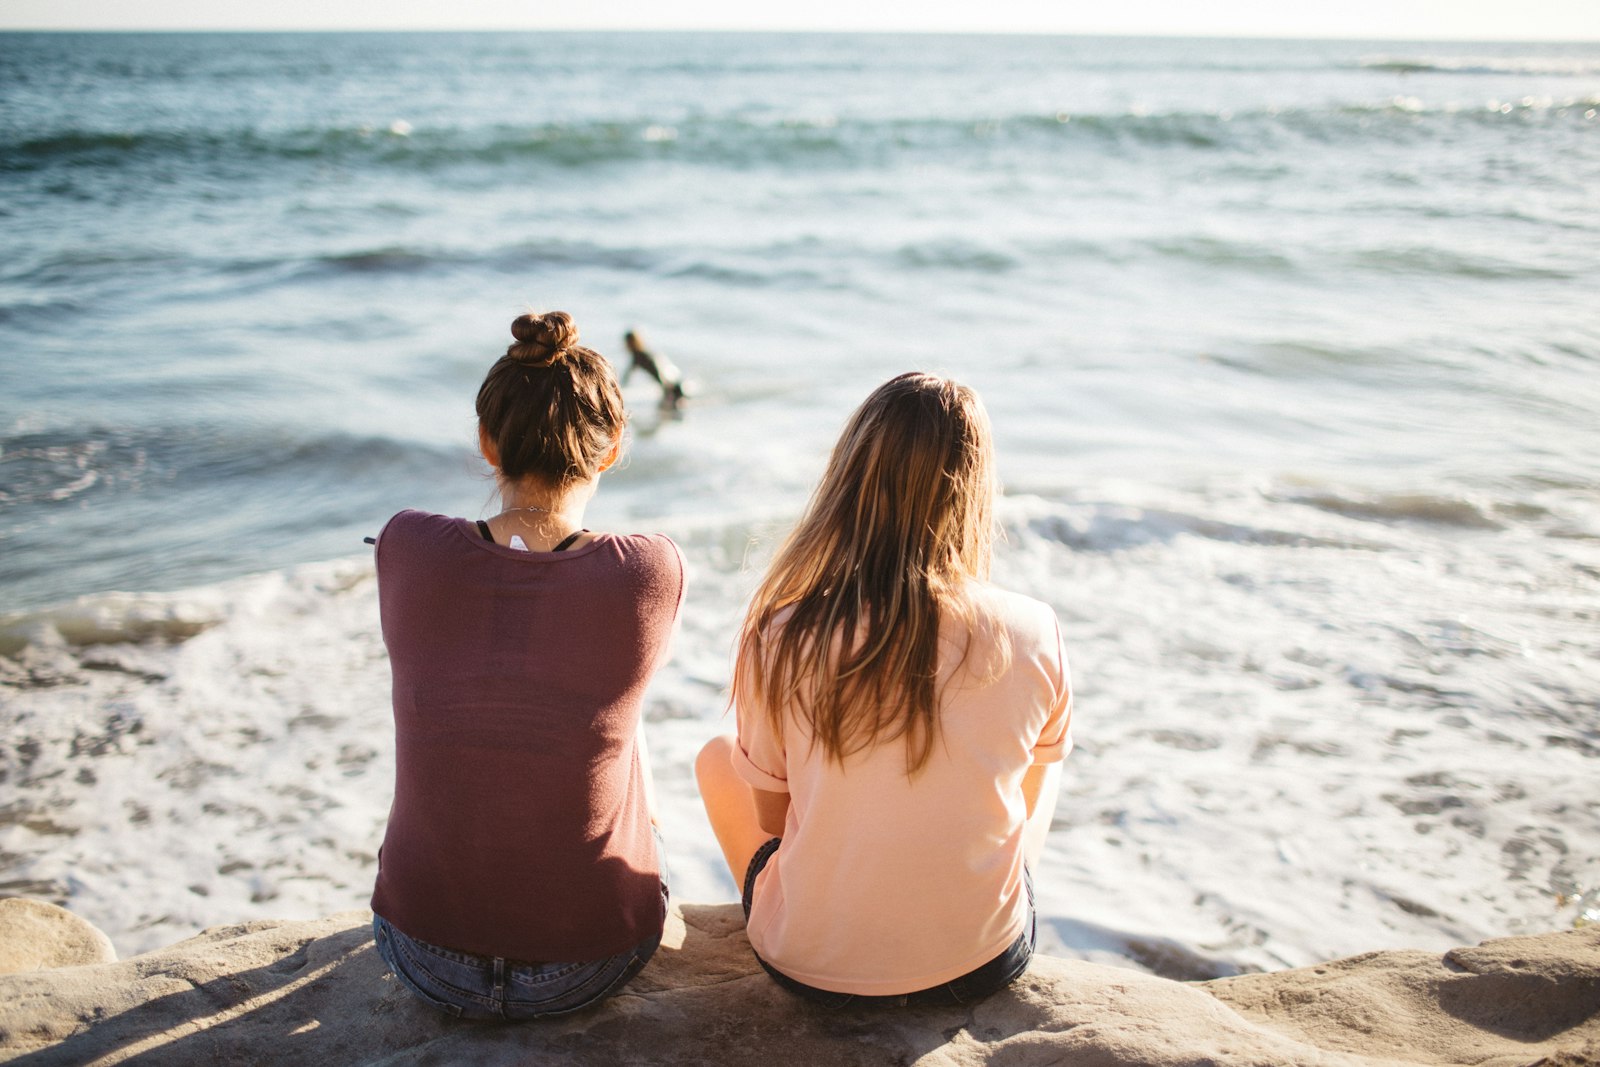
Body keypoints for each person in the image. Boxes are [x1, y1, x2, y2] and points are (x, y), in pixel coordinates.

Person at [696, 371, 1072, 1008]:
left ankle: (830, 921)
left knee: (716, 756)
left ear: (847, 482)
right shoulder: (1033, 629)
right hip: (981, 959)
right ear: (976, 489)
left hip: (811, 968)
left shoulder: (781, 633)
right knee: (1043, 768)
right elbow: (1021, 800)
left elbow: (774, 820)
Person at [369, 310, 685, 1020]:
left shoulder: (407, 542)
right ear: (609, 452)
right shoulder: (650, 569)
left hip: (424, 955)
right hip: (589, 961)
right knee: (620, 721)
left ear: (487, 442)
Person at [622, 329, 688, 411]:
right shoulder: (642, 354)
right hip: (673, 385)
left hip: (673, 388)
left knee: (667, 412)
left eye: (627, 342)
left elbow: (659, 374)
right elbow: (627, 376)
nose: (625, 345)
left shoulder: (641, 356)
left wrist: (666, 392)